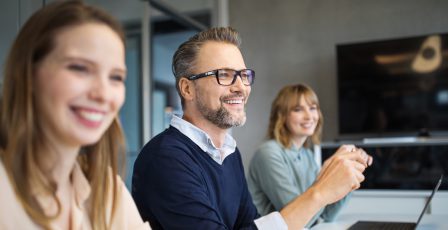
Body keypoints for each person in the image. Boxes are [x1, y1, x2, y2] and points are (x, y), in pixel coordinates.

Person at [132, 27, 372, 230]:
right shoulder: (165, 158)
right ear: (187, 89)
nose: (241, 87)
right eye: (224, 75)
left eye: (243, 75)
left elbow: (251, 225)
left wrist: (332, 183)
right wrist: (320, 192)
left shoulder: (228, 153)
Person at [0, 1, 149, 229]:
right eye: (79, 68)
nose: (103, 94)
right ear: (28, 74)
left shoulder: (107, 191)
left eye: (116, 77)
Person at [247, 84, 350, 228]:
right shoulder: (268, 153)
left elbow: (327, 214)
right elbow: (300, 218)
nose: (309, 116)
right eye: (298, 109)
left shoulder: (307, 154)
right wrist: (331, 168)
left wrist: (349, 176)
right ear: (282, 116)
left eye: (313, 108)